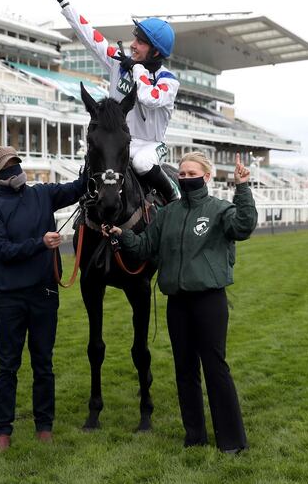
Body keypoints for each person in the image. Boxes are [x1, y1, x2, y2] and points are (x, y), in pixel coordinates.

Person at [104, 152, 256, 453]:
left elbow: (243, 227)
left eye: (191, 173)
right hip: (177, 303)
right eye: (182, 174)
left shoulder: (219, 209)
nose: (185, 178)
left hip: (209, 301)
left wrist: (242, 188)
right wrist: (122, 235)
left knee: (216, 369)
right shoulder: (168, 214)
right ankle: (194, 436)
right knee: (184, 370)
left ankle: (232, 442)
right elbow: (146, 246)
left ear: (207, 176)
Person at [0, 145, 85, 452]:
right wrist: (40, 243)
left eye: (16, 164)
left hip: (44, 293)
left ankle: (44, 425)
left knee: (44, 362)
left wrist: (93, 157)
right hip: (9, 298)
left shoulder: (42, 194)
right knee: (8, 365)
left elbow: (78, 188)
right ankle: (3, 429)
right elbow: (3, 251)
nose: (15, 171)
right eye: (8, 167)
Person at [48, 0, 180, 202]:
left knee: (141, 163)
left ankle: (175, 198)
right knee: (93, 166)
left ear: (156, 51)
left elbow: (149, 97)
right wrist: (65, 2)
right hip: (117, 141)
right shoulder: (118, 62)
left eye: (141, 42)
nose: (133, 45)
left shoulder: (168, 81)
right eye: (135, 38)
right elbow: (91, 37)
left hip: (150, 146)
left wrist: (136, 68)